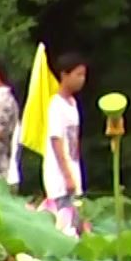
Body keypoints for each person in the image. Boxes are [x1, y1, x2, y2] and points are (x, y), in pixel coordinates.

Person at [43, 53, 87, 202]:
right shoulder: (56, 105)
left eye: (83, 75)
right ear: (64, 75)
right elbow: (56, 140)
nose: (82, 79)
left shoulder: (73, 103)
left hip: (74, 172)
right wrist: (67, 176)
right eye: (78, 74)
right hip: (59, 179)